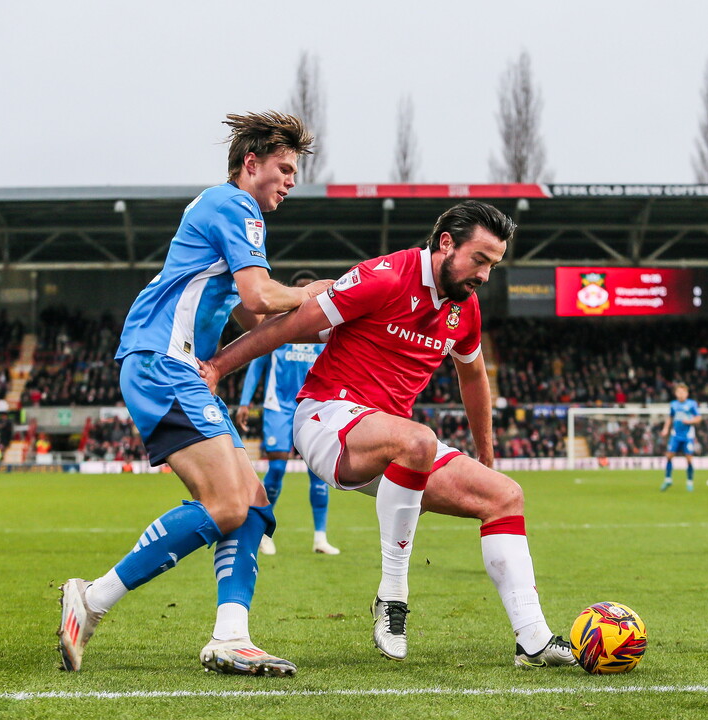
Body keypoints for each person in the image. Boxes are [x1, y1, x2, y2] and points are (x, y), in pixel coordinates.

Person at [201, 200, 576, 669]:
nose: (484, 274)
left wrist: (486, 452)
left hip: (393, 441)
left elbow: (474, 377)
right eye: (479, 260)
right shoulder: (384, 276)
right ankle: (392, 598)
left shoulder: (465, 309)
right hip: (326, 418)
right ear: (446, 244)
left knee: (504, 496)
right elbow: (289, 327)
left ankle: (534, 639)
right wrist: (217, 366)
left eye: (493, 265)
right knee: (416, 440)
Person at [57, 111, 332, 677]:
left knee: (253, 501)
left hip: (177, 366)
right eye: (283, 169)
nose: (290, 181)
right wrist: (320, 294)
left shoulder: (225, 209)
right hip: (162, 360)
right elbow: (261, 295)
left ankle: (231, 636)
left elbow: (249, 308)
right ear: (250, 164)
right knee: (228, 503)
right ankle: (94, 599)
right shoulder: (237, 206)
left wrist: (303, 314)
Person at [236, 270, 339, 556]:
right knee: (277, 467)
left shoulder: (325, 332)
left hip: (313, 404)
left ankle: (320, 537)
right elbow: (257, 363)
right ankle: (263, 534)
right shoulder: (279, 327)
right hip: (278, 406)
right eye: (302, 291)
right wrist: (245, 402)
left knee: (318, 473)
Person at [659, 382, 702, 492]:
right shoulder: (673, 404)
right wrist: (665, 429)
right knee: (669, 456)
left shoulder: (692, 404)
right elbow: (670, 417)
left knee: (688, 458)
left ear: (687, 393)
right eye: (679, 392)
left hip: (687, 435)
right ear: (676, 393)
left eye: (683, 392)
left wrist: (689, 421)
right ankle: (668, 479)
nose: (681, 394)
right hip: (675, 434)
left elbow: (698, 418)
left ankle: (689, 481)